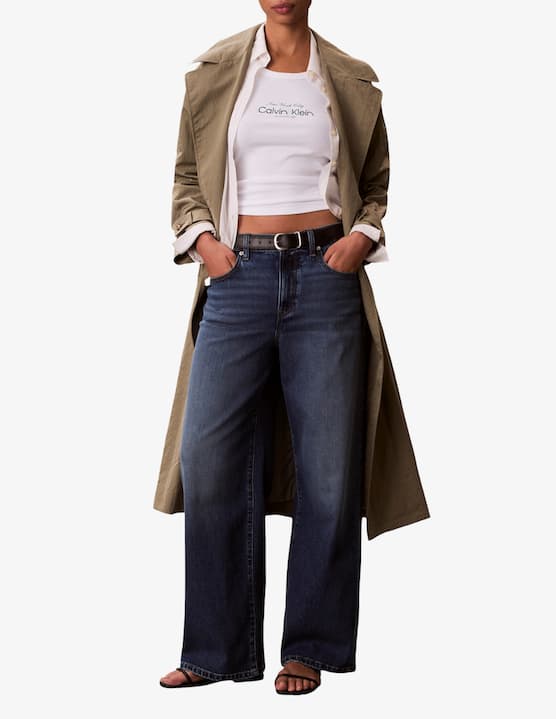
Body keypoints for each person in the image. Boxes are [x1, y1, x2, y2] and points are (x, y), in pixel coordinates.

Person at [158, 0, 428, 695]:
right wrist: (207, 245)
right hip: (237, 275)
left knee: (329, 469)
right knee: (208, 459)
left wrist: (360, 238)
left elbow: (375, 184)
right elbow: (187, 178)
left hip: (325, 277)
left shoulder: (350, 78)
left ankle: (309, 645)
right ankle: (215, 649)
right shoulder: (212, 72)